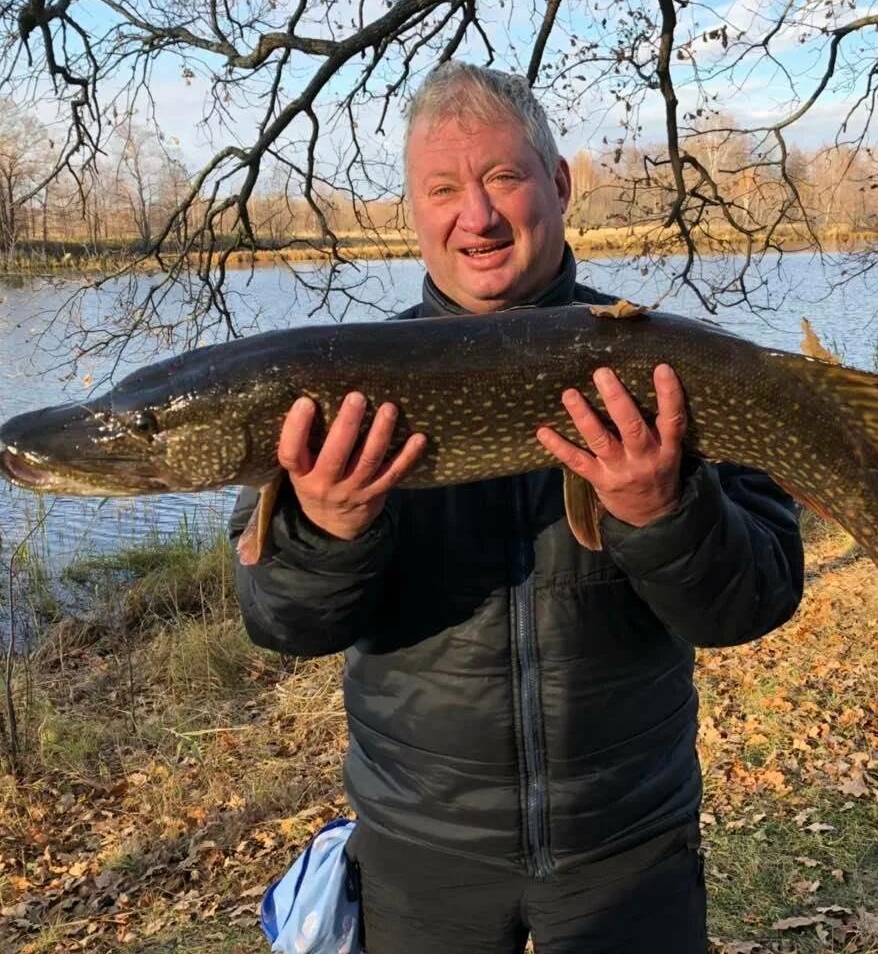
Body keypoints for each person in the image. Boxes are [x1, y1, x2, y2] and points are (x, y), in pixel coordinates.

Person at [230, 61, 804, 954]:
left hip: (630, 837)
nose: (478, 216)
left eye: (503, 177)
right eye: (444, 189)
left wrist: (665, 512)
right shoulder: (339, 394)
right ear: (412, 212)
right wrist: (329, 531)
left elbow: (751, 605)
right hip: (423, 850)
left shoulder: (664, 369)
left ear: (561, 184)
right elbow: (282, 623)